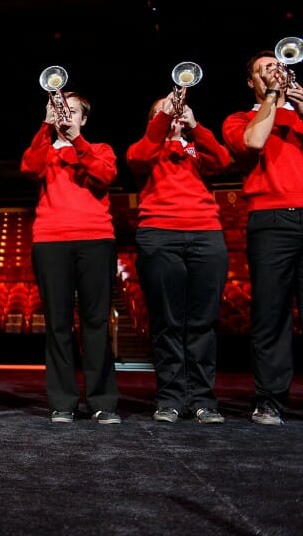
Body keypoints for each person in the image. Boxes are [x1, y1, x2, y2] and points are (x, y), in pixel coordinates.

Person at [127, 91, 232, 424]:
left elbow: (223, 162)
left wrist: (195, 125)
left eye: (175, 108)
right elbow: (138, 159)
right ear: (152, 120)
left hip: (206, 234)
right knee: (167, 322)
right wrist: (162, 120)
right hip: (159, 235)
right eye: (163, 110)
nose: (172, 113)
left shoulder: (196, 146)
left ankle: (203, 401)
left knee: (203, 323)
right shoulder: (145, 147)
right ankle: (171, 399)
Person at [20, 88, 121, 424]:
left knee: (96, 323)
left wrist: (77, 141)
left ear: (84, 118)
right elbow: (28, 168)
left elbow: (104, 175)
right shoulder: (45, 150)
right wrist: (43, 127)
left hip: (96, 240)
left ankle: (102, 402)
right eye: (61, 111)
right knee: (58, 325)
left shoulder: (100, 148)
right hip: (51, 242)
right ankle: (63, 402)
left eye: (73, 111)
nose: (66, 116)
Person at [221, 49, 303, 426]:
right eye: (263, 70)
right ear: (252, 82)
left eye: (277, 67)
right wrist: (272, 98)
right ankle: (270, 400)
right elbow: (253, 142)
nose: (273, 72)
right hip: (271, 220)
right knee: (271, 315)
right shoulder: (239, 117)